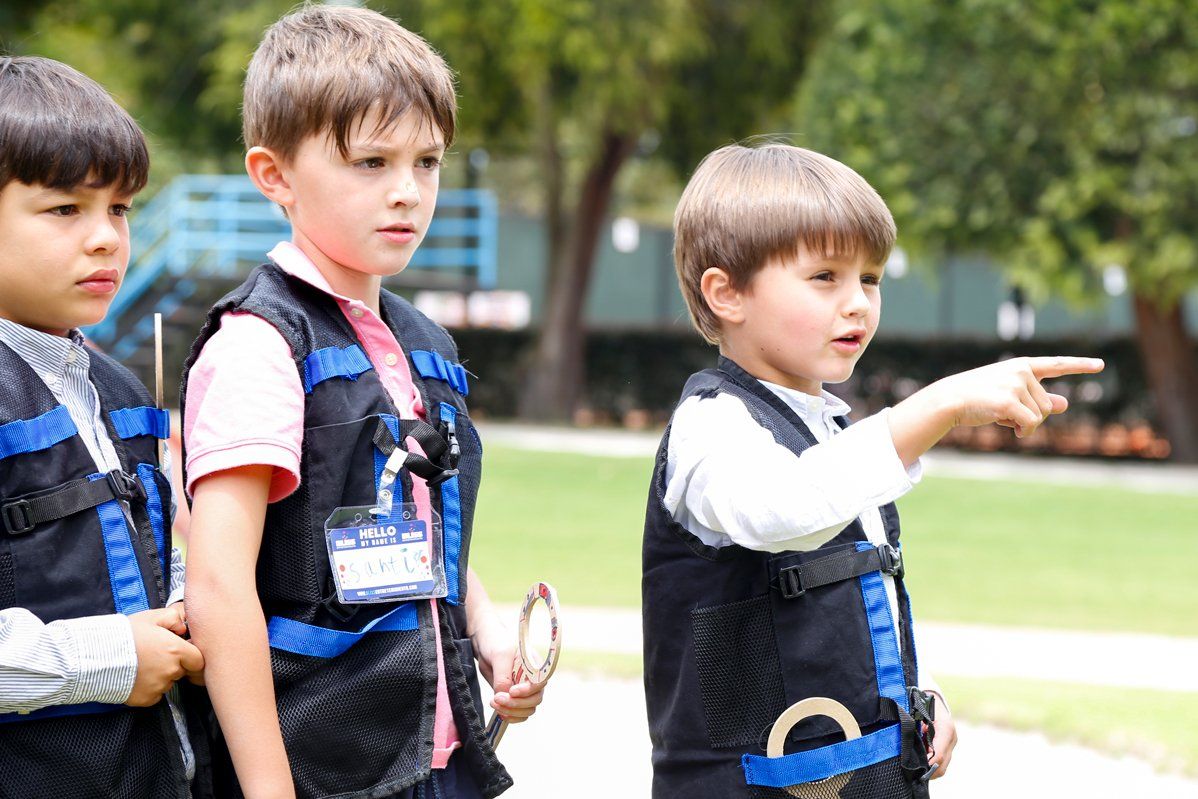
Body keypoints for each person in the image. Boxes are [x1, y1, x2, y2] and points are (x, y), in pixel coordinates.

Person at [641, 142, 1104, 798]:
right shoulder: (711, 424)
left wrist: (919, 691)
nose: (857, 302)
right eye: (825, 276)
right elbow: (782, 512)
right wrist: (938, 405)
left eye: (871, 278)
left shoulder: (832, 428)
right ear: (727, 294)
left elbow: (852, 609)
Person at [181, 7, 542, 799]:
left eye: (428, 161)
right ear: (273, 174)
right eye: (371, 162)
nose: (407, 192)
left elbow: (414, 532)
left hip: (441, 762)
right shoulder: (261, 346)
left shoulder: (427, 346)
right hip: (318, 770)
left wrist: (485, 633)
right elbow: (217, 589)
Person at [0, 55, 205, 798]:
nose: (107, 239)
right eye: (65, 209)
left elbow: (146, 554)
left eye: (119, 208)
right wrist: (106, 655)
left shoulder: (117, 385)